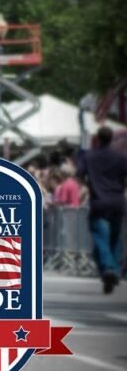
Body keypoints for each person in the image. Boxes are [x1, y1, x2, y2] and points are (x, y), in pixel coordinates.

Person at [76, 126, 127, 294]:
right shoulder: (120, 157)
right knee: (115, 239)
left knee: (101, 239)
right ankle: (114, 271)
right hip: (117, 202)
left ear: (97, 138)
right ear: (111, 139)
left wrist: (90, 185)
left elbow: (79, 175)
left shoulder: (89, 156)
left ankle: (108, 268)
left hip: (99, 202)